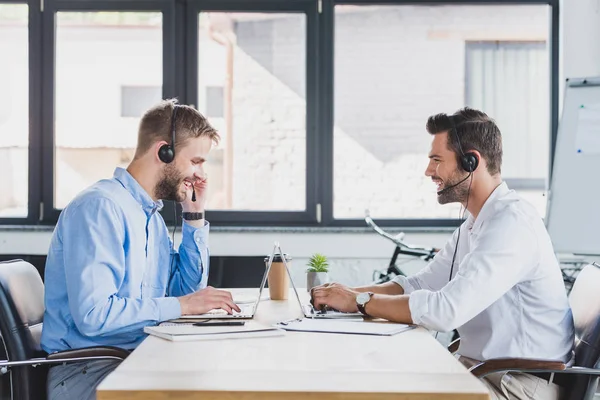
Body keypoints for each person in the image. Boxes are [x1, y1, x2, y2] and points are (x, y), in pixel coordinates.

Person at [310, 107, 575, 400]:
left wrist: (359, 301)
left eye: (437, 160)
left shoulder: (511, 225)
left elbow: (445, 311)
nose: (428, 171)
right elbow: (418, 285)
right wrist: (341, 294)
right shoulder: (477, 223)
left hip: (518, 386)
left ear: (471, 161)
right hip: (485, 372)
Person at [41, 100, 241, 400]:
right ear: (164, 151)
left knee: (221, 377)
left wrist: (194, 216)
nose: (201, 175)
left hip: (132, 357)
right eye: (196, 161)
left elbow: (186, 291)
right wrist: (183, 305)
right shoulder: (100, 207)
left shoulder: (152, 221)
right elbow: (94, 315)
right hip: (89, 370)